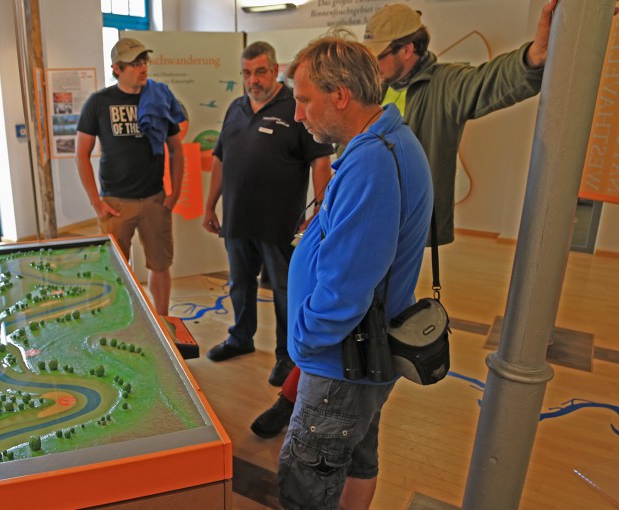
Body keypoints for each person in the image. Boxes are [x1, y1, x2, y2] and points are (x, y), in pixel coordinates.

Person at [250, 0, 556, 439]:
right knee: (353, 364)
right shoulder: (375, 91)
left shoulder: (441, 85)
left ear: (408, 50)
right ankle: (299, 400)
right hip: (367, 234)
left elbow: (489, 82)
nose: (371, 65)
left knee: (351, 317)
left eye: (379, 54)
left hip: (383, 236)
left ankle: (302, 402)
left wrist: (534, 58)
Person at [277, 34, 433, 510]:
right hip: (360, 359)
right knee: (358, 461)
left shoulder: (373, 162)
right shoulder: (385, 141)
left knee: (306, 484)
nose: (298, 115)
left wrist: (304, 340)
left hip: (339, 365)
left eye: (305, 100)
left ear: (340, 95)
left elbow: (345, 291)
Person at [202, 41, 333, 387]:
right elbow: (220, 160)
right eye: (246, 73)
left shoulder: (296, 105)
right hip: (237, 220)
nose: (253, 80)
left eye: (260, 71)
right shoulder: (235, 108)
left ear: (275, 70)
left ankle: (287, 356)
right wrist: (209, 205)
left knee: (286, 292)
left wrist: (319, 211)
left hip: (279, 224)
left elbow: (321, 161)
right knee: (240, 285)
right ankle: (240, 338)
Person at [76, 38, 184, 316]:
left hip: (154, 199)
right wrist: (96, 203)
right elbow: (81, 154)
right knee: (115, 268)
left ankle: (162, 321)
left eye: (143, 61)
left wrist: (174, 194)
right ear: (117, 68)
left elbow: (175, 148)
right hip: (116, 203)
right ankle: (121, 320)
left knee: (160, 265)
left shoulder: (159, 98)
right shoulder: (99, 103)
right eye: (134, 64)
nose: (142, 68)